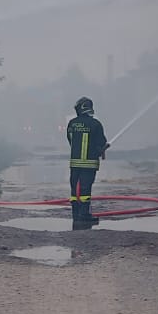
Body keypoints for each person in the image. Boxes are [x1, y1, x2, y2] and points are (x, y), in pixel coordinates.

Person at [66, 96, 109, 225]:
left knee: (74, 190)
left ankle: (76, 214)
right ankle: (84, 215)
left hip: (74, 163)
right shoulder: (95, 124)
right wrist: (101, 149)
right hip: (89, 164)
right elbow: (101, 142)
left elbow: (70, 140)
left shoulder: (72, 123)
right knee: (85, 189)